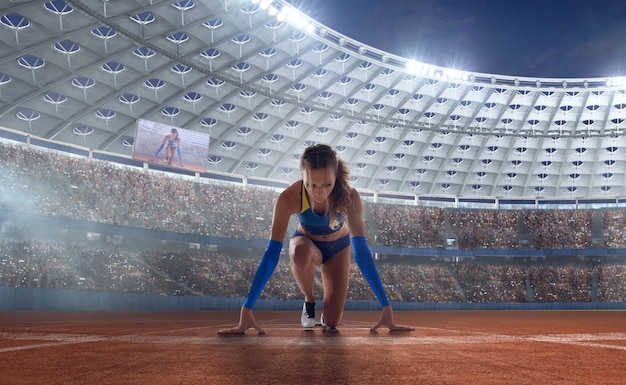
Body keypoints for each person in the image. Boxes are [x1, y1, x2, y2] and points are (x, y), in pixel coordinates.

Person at [218, 144, 414, 334]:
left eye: (327, 184)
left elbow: (362, 251)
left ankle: (325, 316)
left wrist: (386, 306)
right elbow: (272, 253)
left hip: (338, 249)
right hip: (307, 244)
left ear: (336, 176)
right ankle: (309, 300)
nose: (319, 192)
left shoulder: (350, 197)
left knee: (332, 322)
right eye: (311, 185)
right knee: (299, 253)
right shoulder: (289, 198)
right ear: (303, 177)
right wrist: (247, 307)